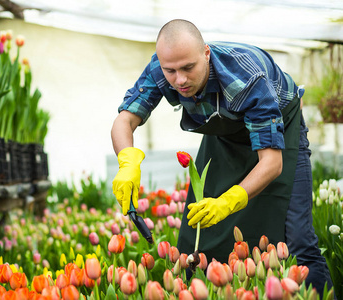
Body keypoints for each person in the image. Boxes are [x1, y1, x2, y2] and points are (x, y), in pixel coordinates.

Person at [111, 19, 334, 296]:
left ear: (206, 54)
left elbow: (272, 163)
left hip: (281, 131)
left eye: (188, 68)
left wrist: (229, 201)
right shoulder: (162, 68)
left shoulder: (245, 79)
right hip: (225, 136)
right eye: (171, 70)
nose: (179, 79)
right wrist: (127, 162)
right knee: (200, 237)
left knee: (299, 239)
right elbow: (125, 120)